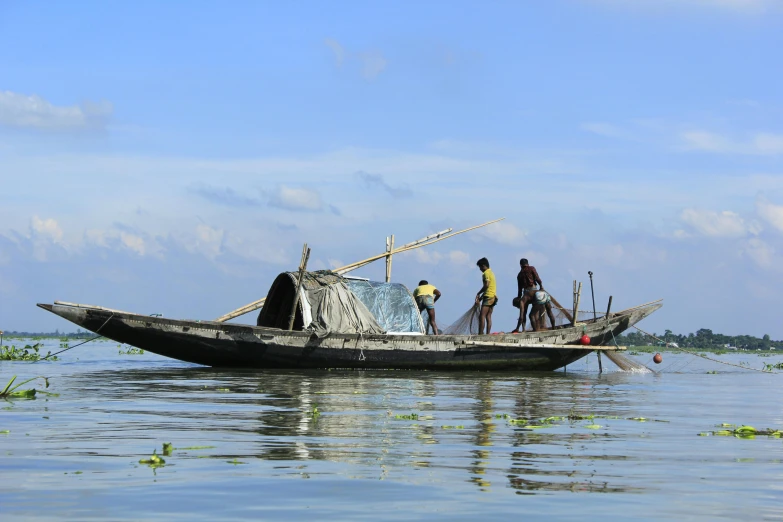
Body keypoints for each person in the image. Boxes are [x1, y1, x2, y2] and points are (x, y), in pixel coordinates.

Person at [512, 258, 545, 333]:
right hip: (534, 291)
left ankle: (523, 329)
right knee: (535, 313)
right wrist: (541, 286)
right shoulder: (531, 268)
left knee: (524, 312)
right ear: (527, 263)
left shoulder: (519, 275)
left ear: (520, 265)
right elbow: (537, 278)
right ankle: (536, 328)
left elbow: (520, 289)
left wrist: (519, 297)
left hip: (526, 294)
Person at [474, 257, 497, 335]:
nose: (480, 269)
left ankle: (480, 334)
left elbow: (486, 285)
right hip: (493, 297)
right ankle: (487, 334)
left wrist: (478, 293)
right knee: (488, 316)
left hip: (488, 297)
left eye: (480, 267)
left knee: (482, 316)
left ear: (483, 266)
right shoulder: (491, 273)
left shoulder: (486, 273)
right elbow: (489, 288)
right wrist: (480, 298)